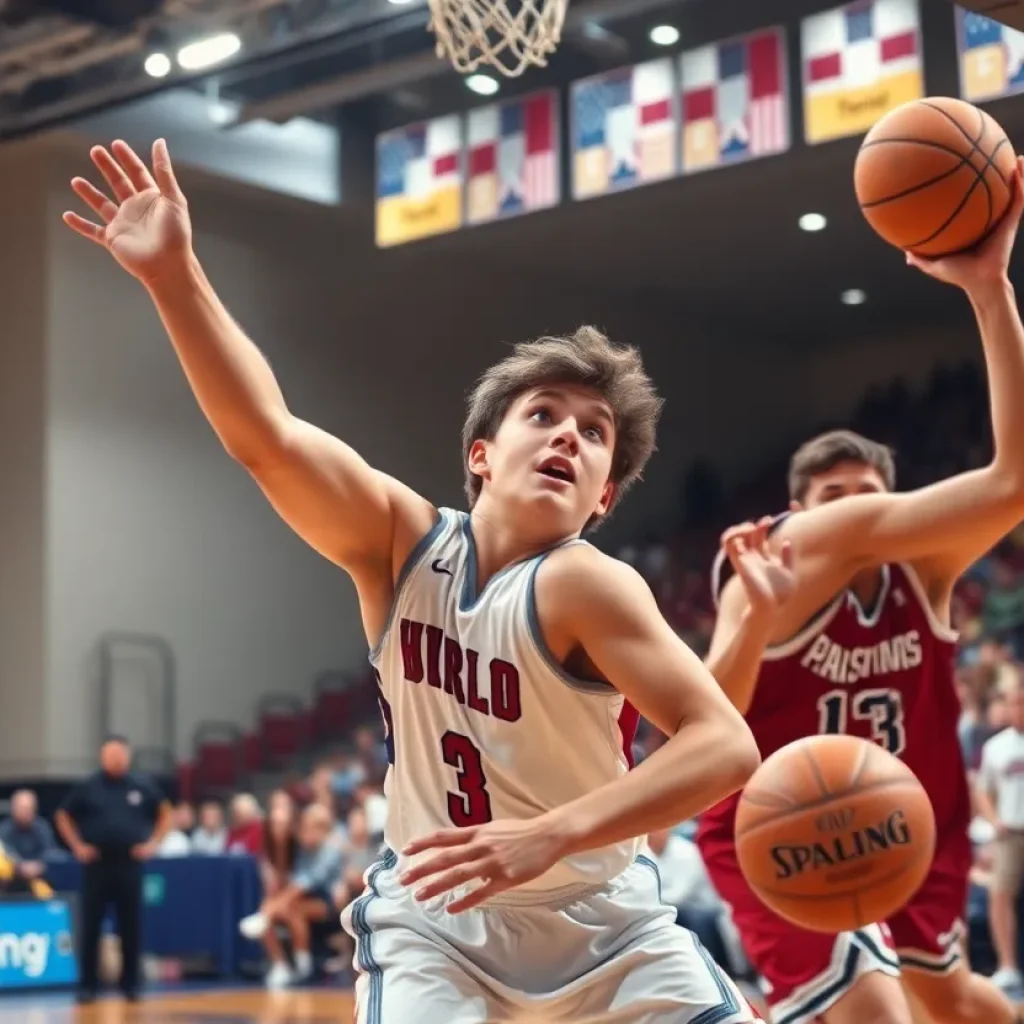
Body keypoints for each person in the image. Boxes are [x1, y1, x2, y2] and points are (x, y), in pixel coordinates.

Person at [64, 138, 763, 1022]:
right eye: (543, 415)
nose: (567, 438)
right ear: (481, 454)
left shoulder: (592, 584)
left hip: (605, 924)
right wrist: (175, 278)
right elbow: (266, 439)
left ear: (604, 499)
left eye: (594, 435)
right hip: (438, 924)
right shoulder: (401, 541)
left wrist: (552, 834)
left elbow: (724, 744)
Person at [696, 163, 1024, 1024]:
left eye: (875, 494)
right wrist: (758, 616)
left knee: (945, 999)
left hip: (909, 809)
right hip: (777, 815)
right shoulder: (779, 563)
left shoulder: (926, 568)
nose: (859, 513)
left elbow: (1016, 479)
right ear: (798, 512)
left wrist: (990, 290)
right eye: (836, 501)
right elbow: (702, 722)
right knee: (873, 1008)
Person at [54, 736, 170, 1004]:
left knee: (131, 924)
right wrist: (77, 846)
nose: (116, 758)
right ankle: (88, 986)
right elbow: (63, 815)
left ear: (127, 756)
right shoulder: (89, 786)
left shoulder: (141, 786)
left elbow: (165, 811)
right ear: (102, 756)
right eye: (111, 754)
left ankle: (131, 984)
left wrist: (153, 843)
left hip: (129, 862)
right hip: (97, 863)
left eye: (120, 754)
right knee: (92, 925)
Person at [974, 682, 1024, 995]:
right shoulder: (996, 746)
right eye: (1014, 703)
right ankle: (1007, 967)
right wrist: (994, 821)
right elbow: (980, 789)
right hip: (1010, 832)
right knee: (999, 895)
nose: (1017, 709)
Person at [0, 789, 62, 894]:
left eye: (29, 808)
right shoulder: (4, 829)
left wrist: (39, 865)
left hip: (39, 878)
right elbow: (4, 853)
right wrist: (19, 866)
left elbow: (51, 852)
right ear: (13, 808)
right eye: (22, 808)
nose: (26, 812)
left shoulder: (42, 827)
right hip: (11, 881)